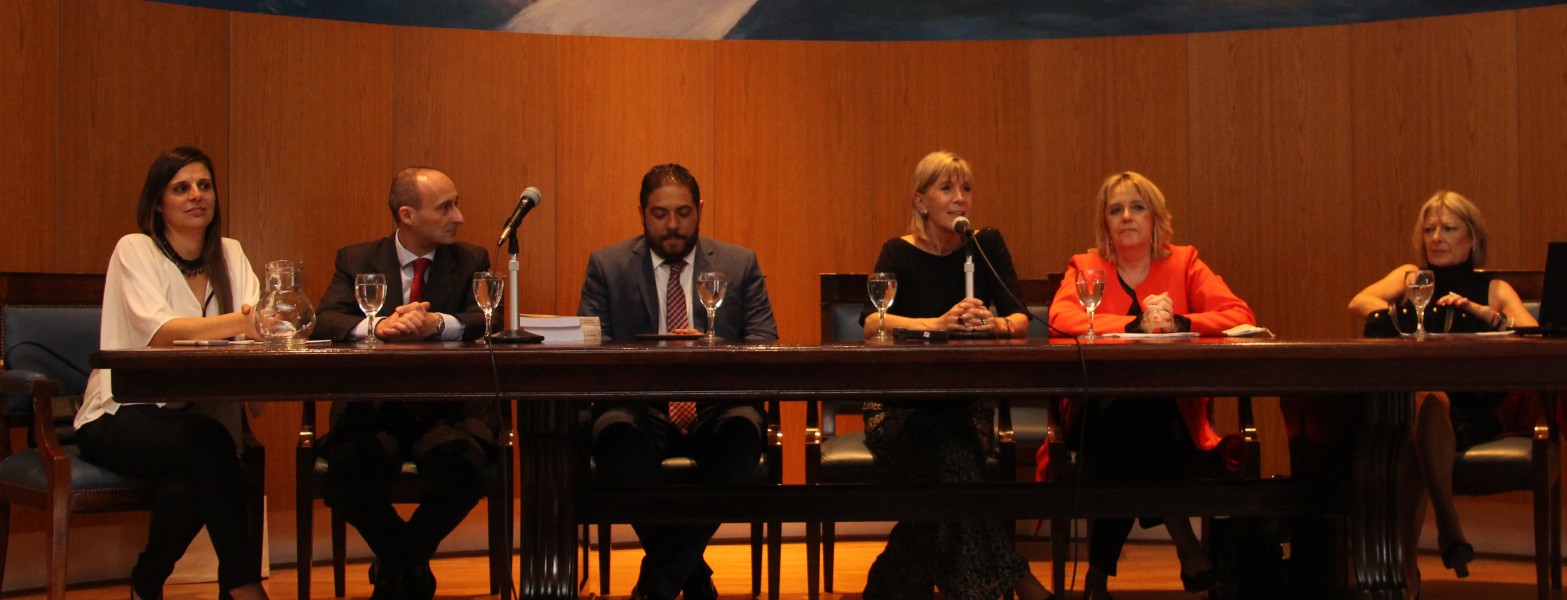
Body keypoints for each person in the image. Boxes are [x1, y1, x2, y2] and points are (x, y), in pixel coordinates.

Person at [1047, 171, 1255, 599]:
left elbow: (1239, 314)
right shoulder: (1085, 266)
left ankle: (1098, 576)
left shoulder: (1184, 262)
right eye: (1115, 209)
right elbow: (1059, 319)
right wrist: (1132, 324)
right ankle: (1187, 546)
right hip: (1094, 413)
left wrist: (1181, 322)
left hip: (1171, 416)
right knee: (1134, 419)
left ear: (1156, 218)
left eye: (1137, 207)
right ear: (1104, 222)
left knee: (1141, 422)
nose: (1126, 217)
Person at [73, 147, 270, 600]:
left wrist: (253, 324)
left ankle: (147, 580)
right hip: (119, 414)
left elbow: (263, 323)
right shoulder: (134, 249)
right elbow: (163, 332)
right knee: (212, 444)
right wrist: (242, 322)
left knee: (190, 482)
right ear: (158, 203)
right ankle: (242, 586)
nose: (196, 195)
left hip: (192, 417)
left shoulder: (231, 253)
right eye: (181, 188)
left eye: (204, 185)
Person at [577, 163, 779, 600]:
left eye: (684, 212)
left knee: (745, 431)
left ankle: (658, 583)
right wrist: (657, 353)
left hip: (716, 405)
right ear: (641, 213)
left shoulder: (738, 263)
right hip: (638, 405)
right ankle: (691, 575)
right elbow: (591, 348)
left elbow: (764, 343)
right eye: (660, 213)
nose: (672, 225)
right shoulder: (607, 266)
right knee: (611, 433)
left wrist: (712, 349)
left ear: (700, 210)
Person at [855, 151, 1052, 600]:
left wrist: (993, 326)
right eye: (947, 189)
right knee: (953, 468)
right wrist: (938, 325)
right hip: (899, 409)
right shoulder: (898, 251)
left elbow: (1020, 319)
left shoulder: (985, 246)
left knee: (946, 477)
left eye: (966, 189)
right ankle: (1021, 585)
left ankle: (889, 587)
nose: (960, 199)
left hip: (966, 406)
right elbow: (872, 324)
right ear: (921, 201)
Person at [311, 167, 499, 600]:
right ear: (407, 215)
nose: (459, 216)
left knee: (463, 469)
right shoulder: (356, 259)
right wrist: (377, 328)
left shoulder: (472, 259)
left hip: (446, 410)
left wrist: (437, 323)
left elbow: (486, 318)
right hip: (373, 411)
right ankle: (409, 565)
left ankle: (396, 565)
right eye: (446, 207)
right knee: (345, 473)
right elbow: (326, 318)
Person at [1346, 190, 1539, 581]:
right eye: (1429, 229)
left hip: (1472, 409)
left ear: (1472, 239)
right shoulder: (1409, 277)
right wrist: (1401, 314)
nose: (1436, 237)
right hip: (1411, 402)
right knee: (1423, 403)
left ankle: (1405, 569)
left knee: (1414, 432)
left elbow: (1535, 333)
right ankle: (1448, 530)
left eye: (1449, 229)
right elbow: (1359, 302)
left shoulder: (1494, 288)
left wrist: (1488, 315)